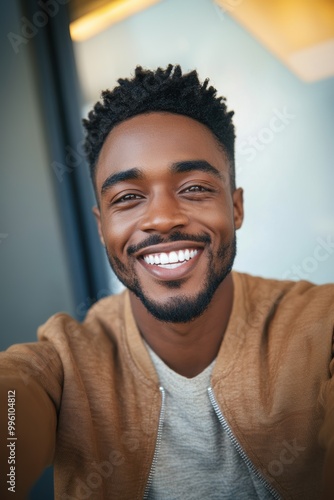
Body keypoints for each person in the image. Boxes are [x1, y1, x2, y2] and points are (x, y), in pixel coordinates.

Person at [0, 65, 333, 500]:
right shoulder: (64, 365)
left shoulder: (320, 327)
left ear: (235, 208)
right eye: (128, 198)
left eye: (194, 188)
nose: (160, 218)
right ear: (102, 227)